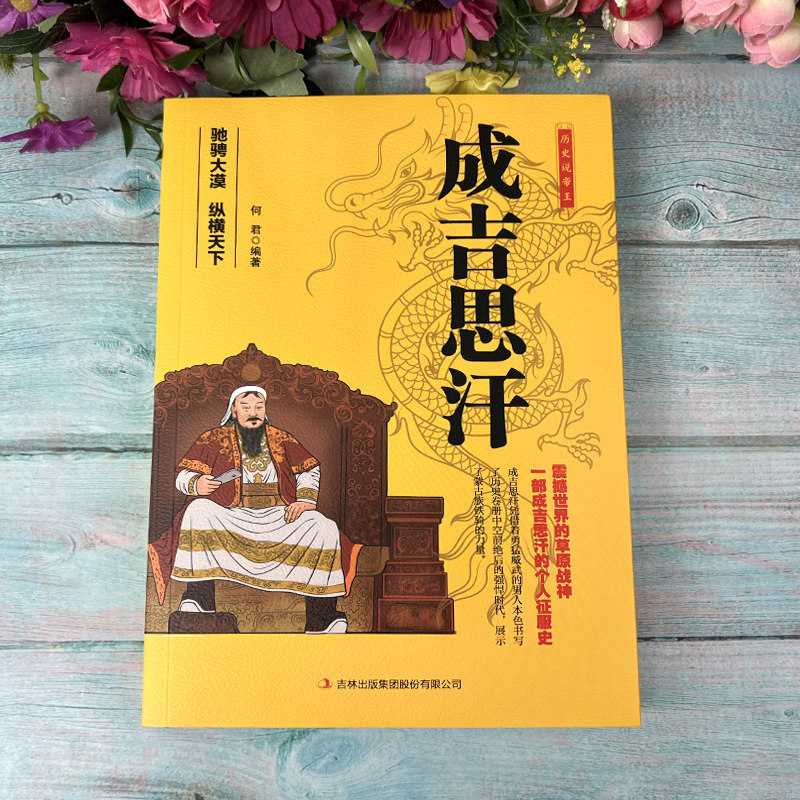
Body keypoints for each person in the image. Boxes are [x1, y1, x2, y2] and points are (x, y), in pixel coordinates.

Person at [147, 385, 360, 633]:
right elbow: (183, 475)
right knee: (198, 510)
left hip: (279, 515)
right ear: (233, 411)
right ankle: (199, 599)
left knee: (323, 527)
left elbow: (309, 469)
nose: (253, 412)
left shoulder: (281, 438)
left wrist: (305, 500)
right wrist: (197, 483)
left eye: (259, 407)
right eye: (246, 407)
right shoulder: (213, 438)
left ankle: (322, 619)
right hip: (232, 515)